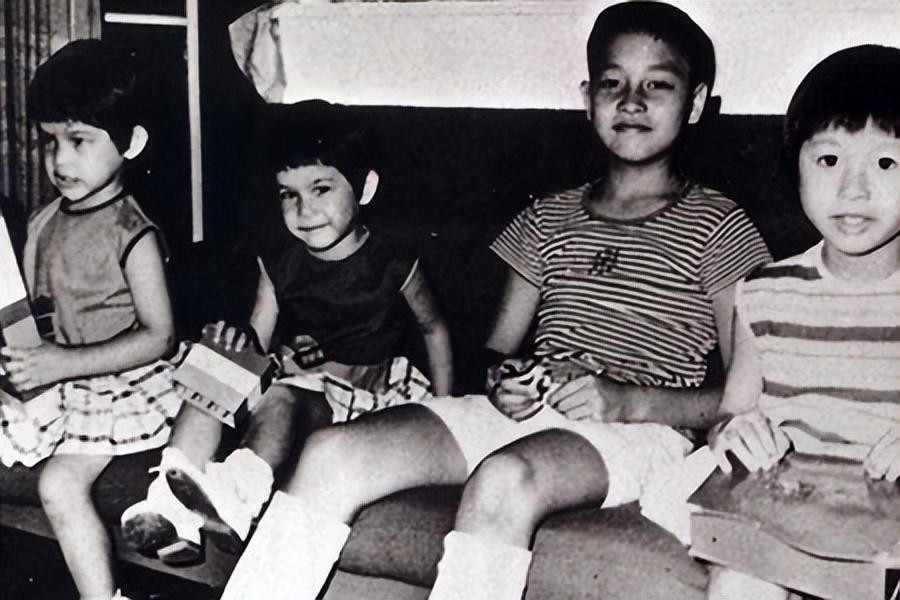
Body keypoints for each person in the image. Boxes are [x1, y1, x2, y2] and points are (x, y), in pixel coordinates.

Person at [221, 2, 772, 599]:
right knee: (331, 453)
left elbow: (745, 396)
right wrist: (504, 379)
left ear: (695, 102)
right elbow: (496, 354)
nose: (631, 101)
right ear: (587, 98)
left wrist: (628, 400)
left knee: (504, 478)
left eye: (656, 85)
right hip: (529, 413)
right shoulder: (548, 216)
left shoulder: (720, 226)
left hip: (642, 430)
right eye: (612, 83)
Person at [120, 101, 454, 565]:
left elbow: (433, 329)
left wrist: (444, 408)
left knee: (283, 396)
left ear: (364, 187)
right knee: (216, 361)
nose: (304, 209)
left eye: (321, 189)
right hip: (296, 378)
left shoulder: (392, 263)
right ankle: (171, 502)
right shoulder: (280, 261)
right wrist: (237, 344)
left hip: (359, 399)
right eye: (288, 195)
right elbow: (259, 335)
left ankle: (239, 495)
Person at [704, 44, 900, 600]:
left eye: (886, 163)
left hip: (890, 523)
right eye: (829, 160)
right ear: (797, 169)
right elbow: (729, 418)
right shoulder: (763, 293)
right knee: (738, 582)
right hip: (786, 512)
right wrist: (734, 432)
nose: (853, 189)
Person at [0, 39, 182, 600]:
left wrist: (61, 363)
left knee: (59, 484)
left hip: (117, 382)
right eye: (50, 141)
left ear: (132, 143)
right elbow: (34, 313)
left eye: (79, 141)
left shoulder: (134, 234)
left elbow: (159, 336)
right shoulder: (42, 221)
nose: (59, 161)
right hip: (56, 374)